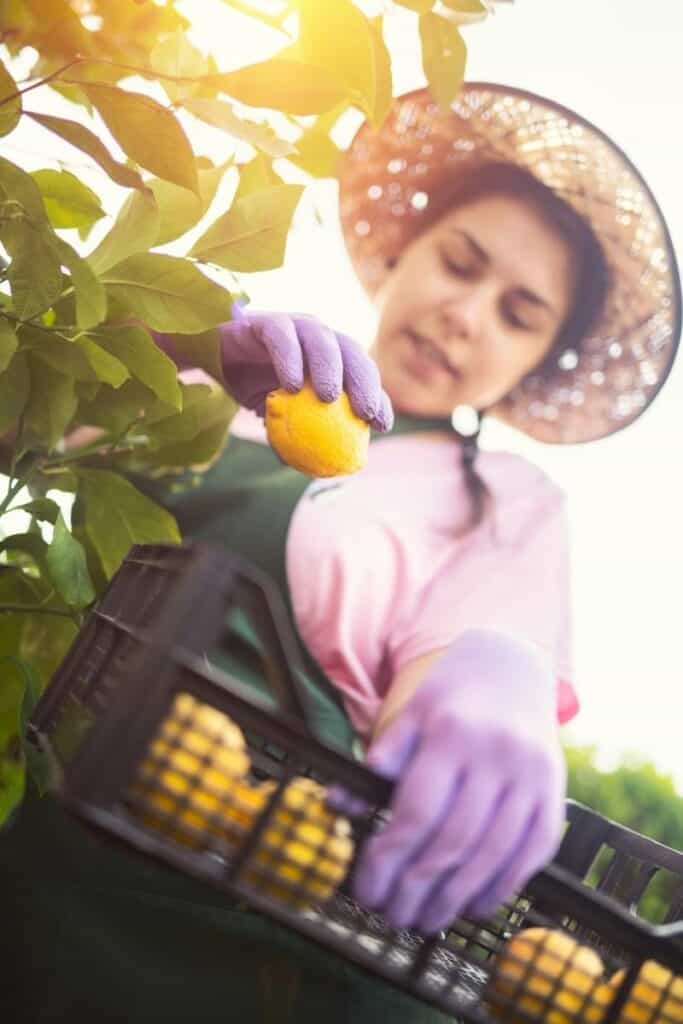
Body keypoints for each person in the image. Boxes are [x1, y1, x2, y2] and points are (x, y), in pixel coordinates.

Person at [1, 83, 680, 1023]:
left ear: (532, 365)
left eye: (518, 314)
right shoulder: (236, 383)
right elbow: (19, 438)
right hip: (44, 852)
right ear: (401, 255)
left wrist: (496, 679)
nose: (467, 313)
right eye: (459, 263)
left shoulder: (504, 505)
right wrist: (167, 341)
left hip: (253, 921)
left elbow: (465, 655)